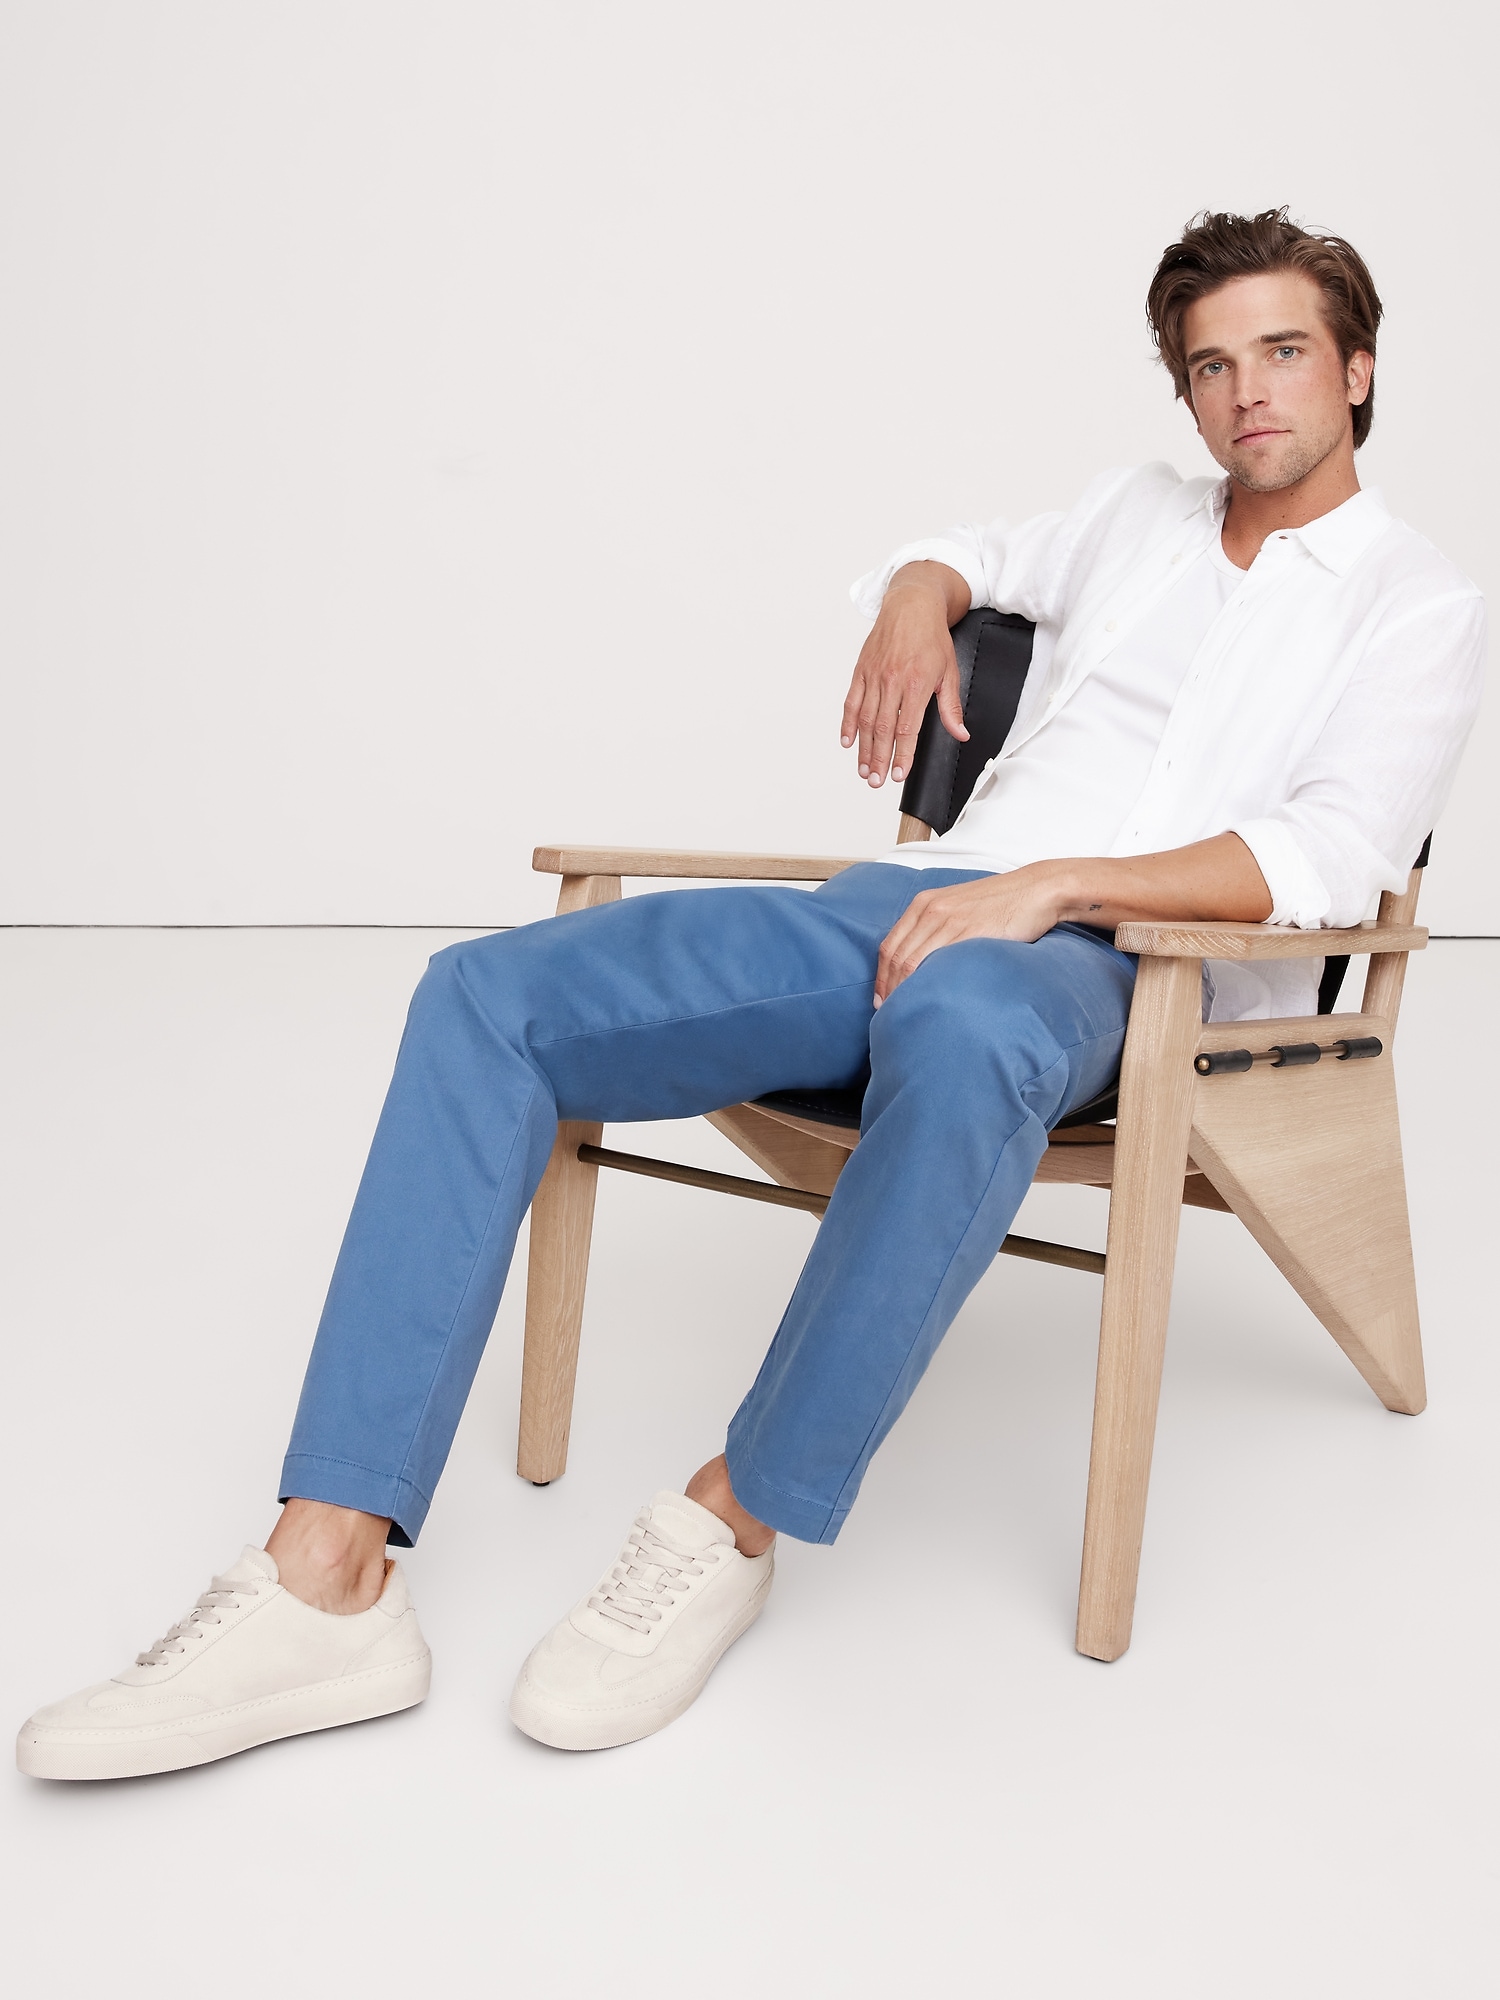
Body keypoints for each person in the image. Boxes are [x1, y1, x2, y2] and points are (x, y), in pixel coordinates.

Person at [18, 209, 1485, 1778]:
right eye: (1211, 363)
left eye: (1283, 351)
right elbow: (979, 557)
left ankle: (732, 1521)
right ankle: (328, 1573)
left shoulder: (1417, 602)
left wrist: (1057, 888)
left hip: (1132, 969)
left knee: (966, 1025)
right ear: (1183, 390)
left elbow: (1329, 853)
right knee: (485, 998)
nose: (1247, 390)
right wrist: (918, 591)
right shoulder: (1136, 515)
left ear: (1356, 369)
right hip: (914, 911)